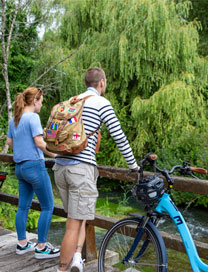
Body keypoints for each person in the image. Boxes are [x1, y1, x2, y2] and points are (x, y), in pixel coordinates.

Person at [53, 67, 139, 272]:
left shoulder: (72, 101)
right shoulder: (101, 103)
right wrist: (133, 165)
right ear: (101, 83)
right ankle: (61, 269)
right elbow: (118, 136)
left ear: (85, 83)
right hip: (80, 170)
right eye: (105, 82)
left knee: (77, 217)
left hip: (60, 168)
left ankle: (76, 260)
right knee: (73, 225)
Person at [7, 87, 60, 259]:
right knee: (48, 206)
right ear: (35, 101)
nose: (42, 106)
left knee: (23, 206)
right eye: (41, 102)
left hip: (20, 168)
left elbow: (9, 142)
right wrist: (57, 155)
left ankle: (22, 244)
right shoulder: (33, 117)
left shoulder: (15, 119)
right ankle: (42, 247)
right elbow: (39, 142)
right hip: (35, 166)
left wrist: (22, 150)